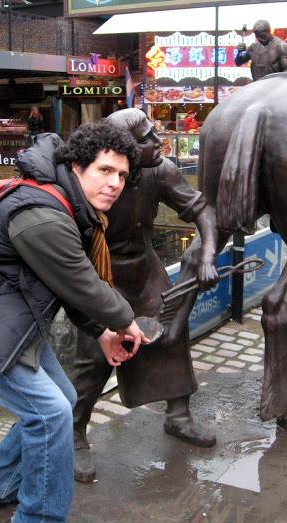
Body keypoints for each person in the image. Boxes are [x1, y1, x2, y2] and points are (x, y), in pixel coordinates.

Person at [0, 124, 148, 523]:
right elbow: (79, 281)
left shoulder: (68, 206)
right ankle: (38, 521)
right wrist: (124, 321)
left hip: (9, 321)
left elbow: (62, 284)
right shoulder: (42, 212)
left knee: (62, 400)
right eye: (104, 170)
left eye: (121, 175)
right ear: (76, 167)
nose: (115, 183)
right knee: (49, 414)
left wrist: (101, 333)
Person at [69, 109, 219, 483]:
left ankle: (179, 415)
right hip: (101, 270)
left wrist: (208, 252)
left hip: (144, 265)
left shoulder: (161, 170)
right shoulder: (90, 180)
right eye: (148, 138)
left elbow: (200, 209)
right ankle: (74, 434)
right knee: (93, 356)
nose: (157, 142)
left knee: (171, 333)